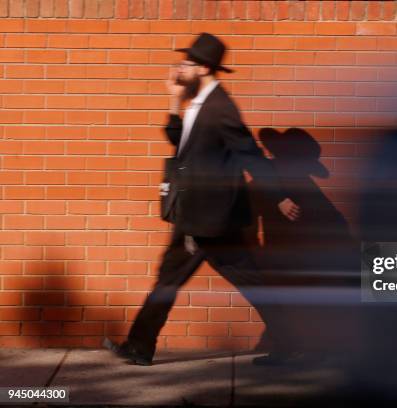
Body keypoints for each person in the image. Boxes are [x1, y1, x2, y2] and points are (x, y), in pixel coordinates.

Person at [104, 33, 300, 366]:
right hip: (197, 214)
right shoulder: (198, 103)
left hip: (210, 219)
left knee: (178, 279)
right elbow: (177, 142)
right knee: (180, 278)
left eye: (187, 63)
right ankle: (139, 346)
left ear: (204, 68)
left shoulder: (221, 108)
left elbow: (250, 154)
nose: (181, 68)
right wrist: (173, 99)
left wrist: (279, 196)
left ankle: (139, 346)